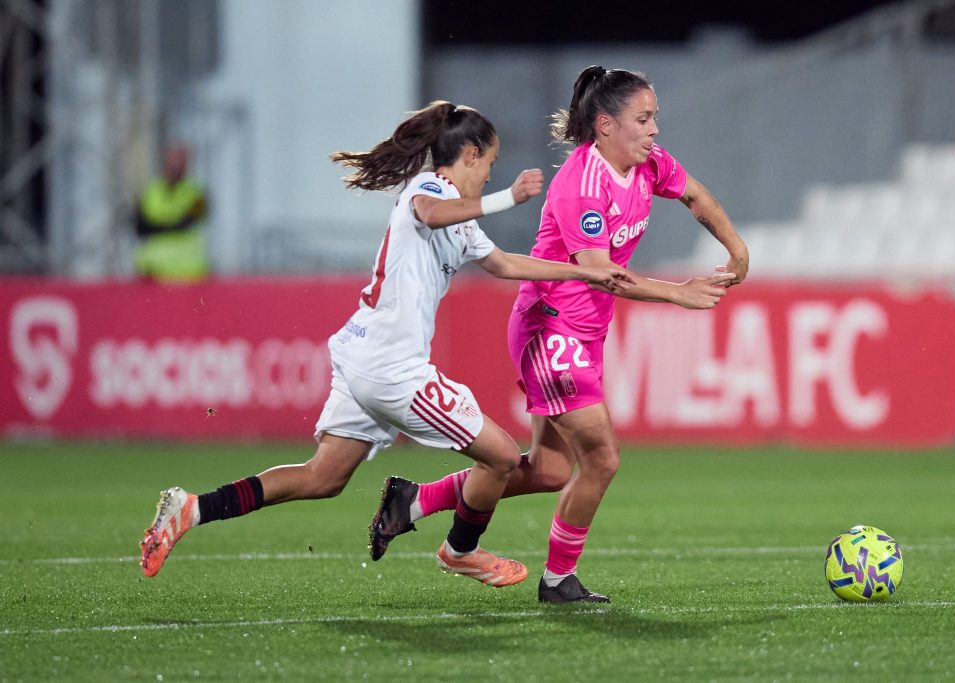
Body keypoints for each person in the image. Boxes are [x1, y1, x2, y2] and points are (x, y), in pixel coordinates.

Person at [139, 101, 634, 588]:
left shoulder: (461, 221)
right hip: (391, 368)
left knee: (323, 478)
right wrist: (507, 197)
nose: (488, 174)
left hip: (361, 354)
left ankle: (193, 508)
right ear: (468, 155)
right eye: (489, 163)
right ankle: (460, 551)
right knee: (502, 457)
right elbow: (430, 212)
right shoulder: (430, 187)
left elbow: (505, 263)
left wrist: (584, 272)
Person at [369, 66, 748, 603]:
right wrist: (677, 293)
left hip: (585, 333)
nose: (654, 130)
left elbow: (696, 198)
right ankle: (557, 580)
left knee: (548, 470)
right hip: (550, 330)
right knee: (603, 458)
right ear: (605, 125)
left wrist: (737, 248)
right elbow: (603, 272)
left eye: (654, 117)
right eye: (643, 119)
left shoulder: (647, 164)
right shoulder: (581, 187)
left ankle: (414, 501)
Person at [134, 143, 210, 281]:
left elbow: (187, 224)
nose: (175, 166)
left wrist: (156, 225)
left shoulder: (198, 195)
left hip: (189, 273)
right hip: (152, 272)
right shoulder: (149, 192)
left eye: (180, 161)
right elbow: (139, 227)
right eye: (172, 161)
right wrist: (172, 224)